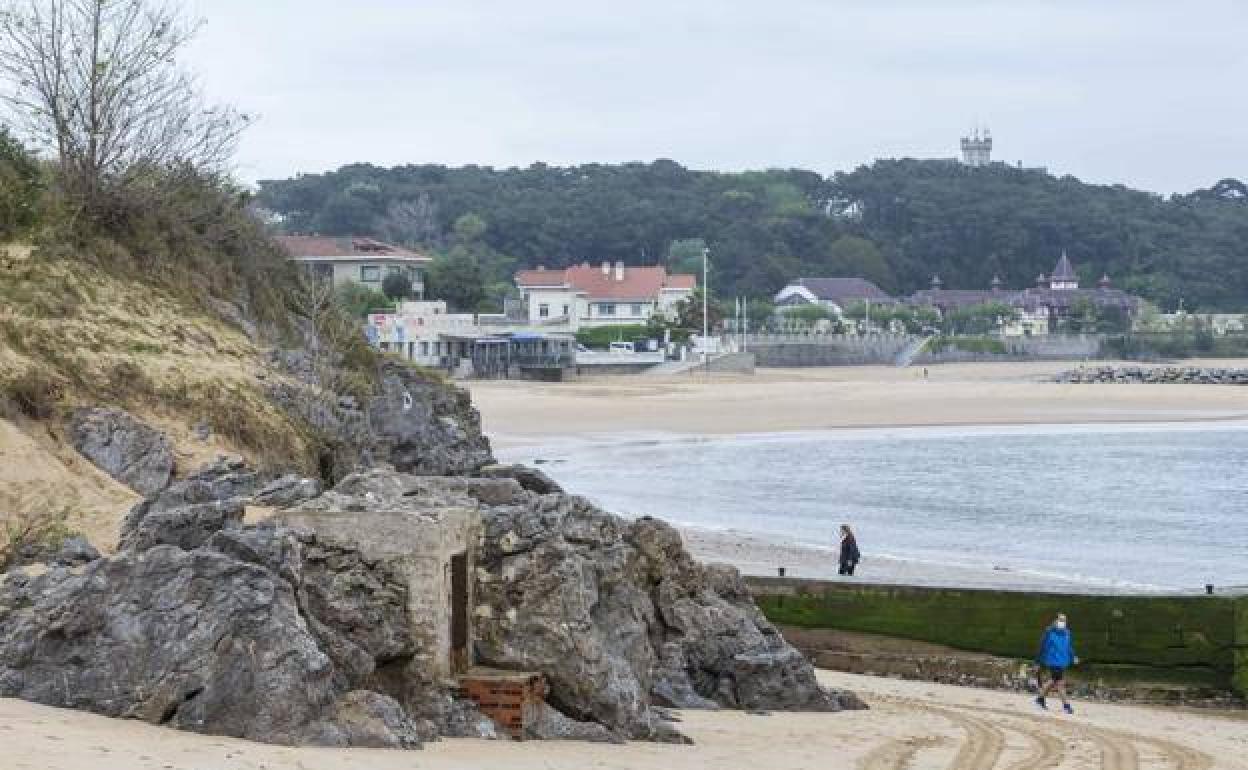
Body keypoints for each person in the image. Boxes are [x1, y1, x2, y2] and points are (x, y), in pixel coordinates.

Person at [1034, 613, 1079, 714]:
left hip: (1062, 662)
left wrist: (1073, 656)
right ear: (1055, 621)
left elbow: (1069, 647)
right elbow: (1041, 647)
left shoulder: (1067, 633)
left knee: (1054, 681)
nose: (1062, 622)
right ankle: (1066, 706)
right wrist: (1037, 662)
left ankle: (1040, 699)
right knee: (1059, 683)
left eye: (1064, 620)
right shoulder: (1049, 632)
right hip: (1052, 660)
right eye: (1060, 620)